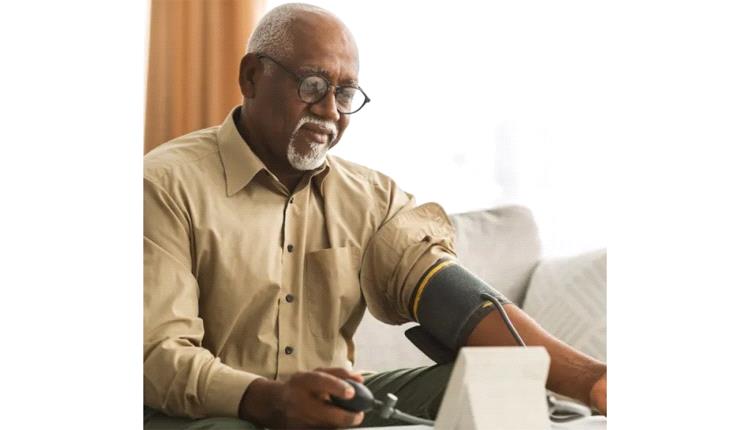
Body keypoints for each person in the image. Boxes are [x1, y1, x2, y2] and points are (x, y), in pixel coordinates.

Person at [143, 3, 607, 429]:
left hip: (330, 405)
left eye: (345, 94)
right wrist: (273, 400)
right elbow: (157, 356)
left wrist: (593, 382)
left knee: (480, 389)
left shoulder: (370, 198)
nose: (330, 111)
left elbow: (454, 302)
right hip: (205, 411)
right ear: (251, 77)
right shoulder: (164, 184)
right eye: (312, 86)